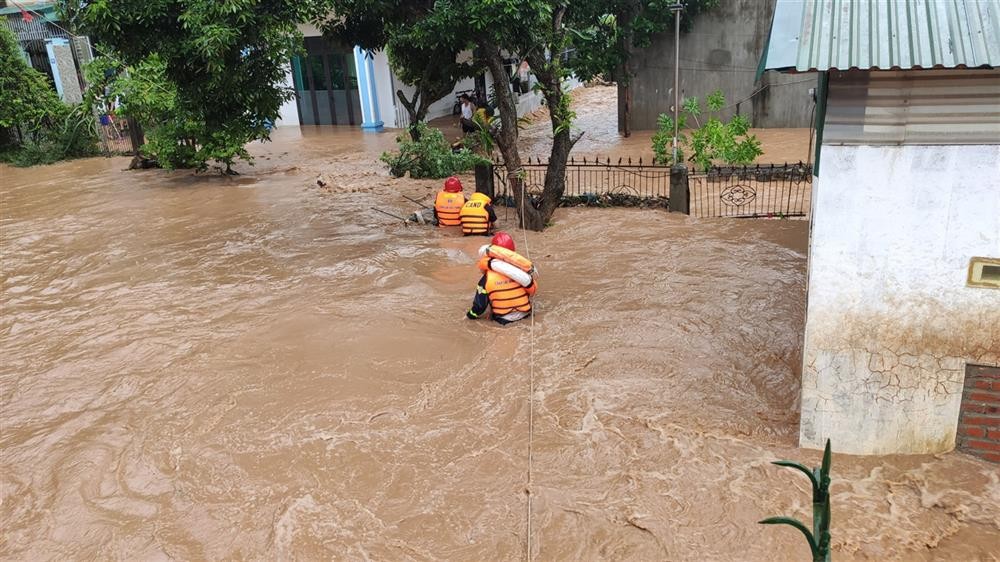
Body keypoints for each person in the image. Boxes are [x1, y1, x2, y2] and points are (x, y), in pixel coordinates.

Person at [467, 232, 537, 325]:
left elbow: (480, 306)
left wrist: (470, 315)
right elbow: (531, 291)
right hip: (526, 315)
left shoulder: (486, 279)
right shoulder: (522, 272)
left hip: (502, 320)